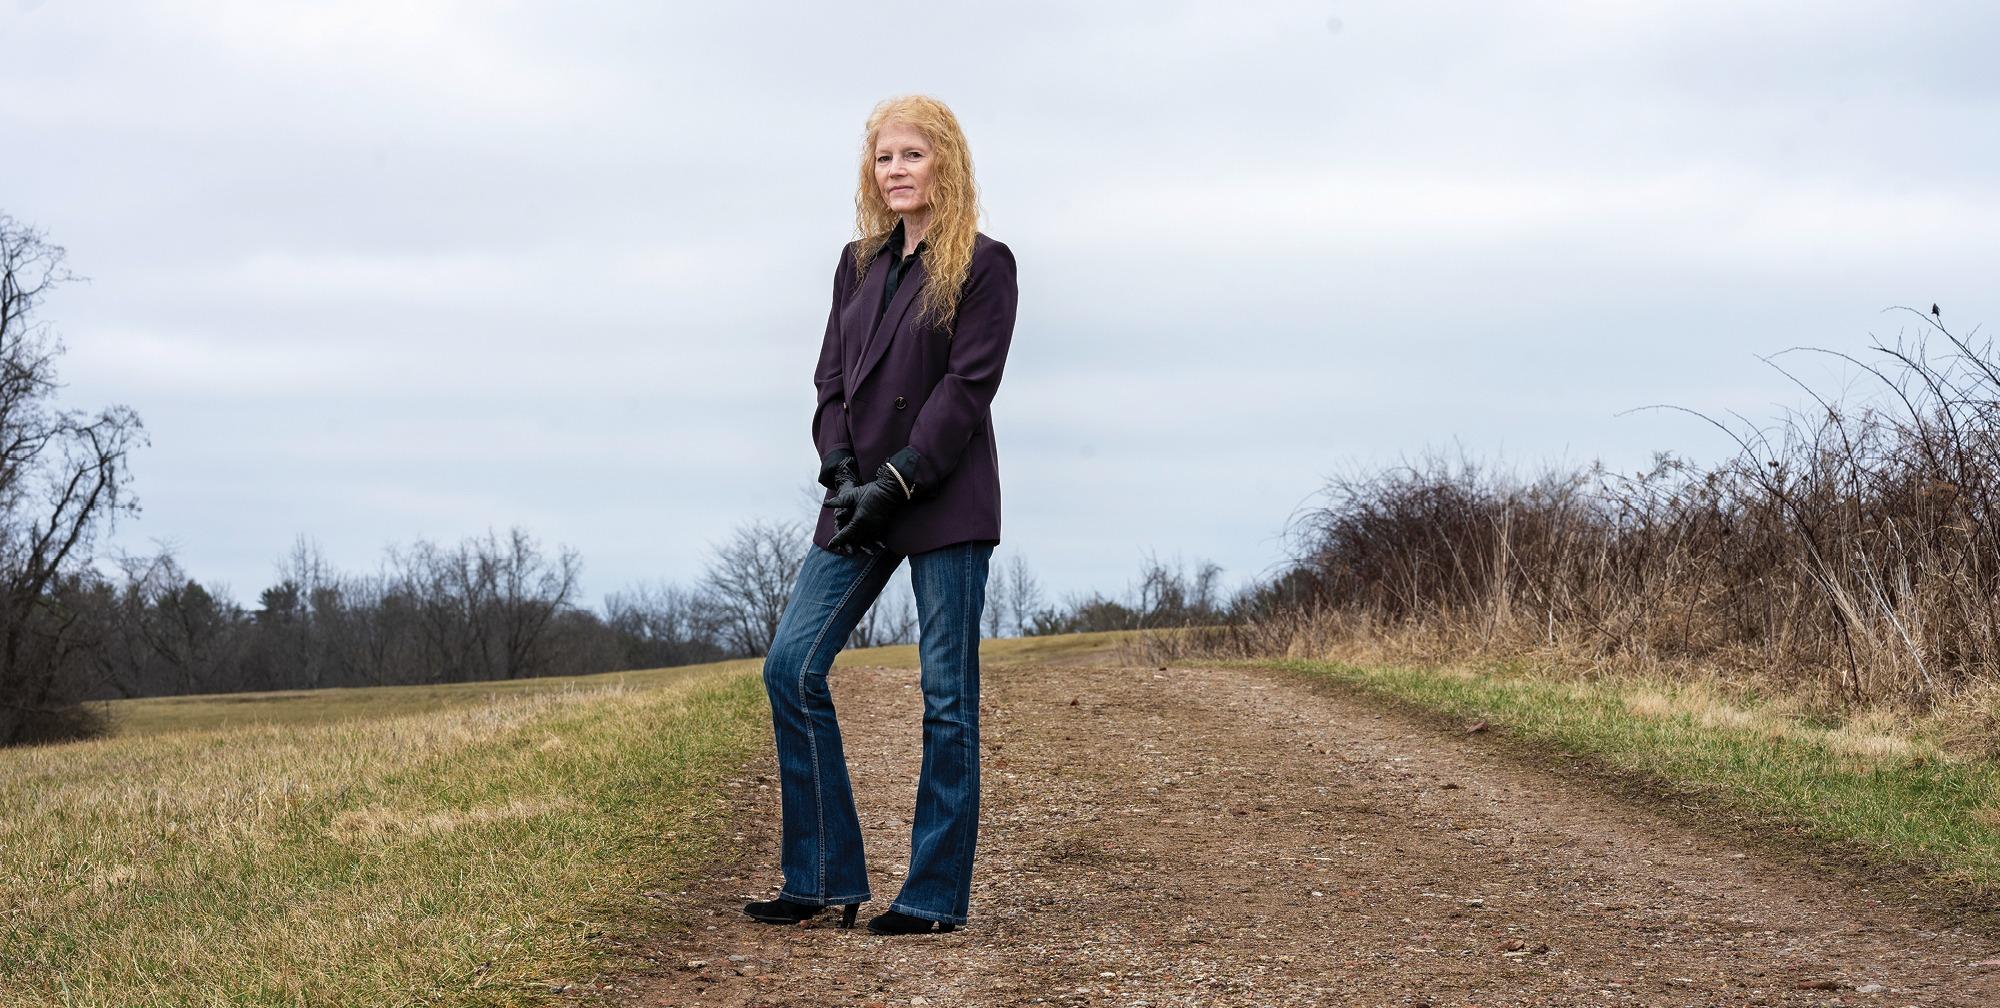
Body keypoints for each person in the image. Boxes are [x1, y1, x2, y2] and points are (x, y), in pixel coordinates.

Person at [742, 94, 1018, 936]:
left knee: (945, 699)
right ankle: (822, 875)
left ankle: (931, 897)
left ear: (947, 165)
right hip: (856, 501)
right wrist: (839, 466)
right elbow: (830, 381)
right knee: (790, 666)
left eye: (913, 156)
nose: (895, 171)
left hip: (940, 498)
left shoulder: (984, 262)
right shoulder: (856, 263)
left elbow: (966, 391)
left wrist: (895, 479)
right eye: (884, 158)